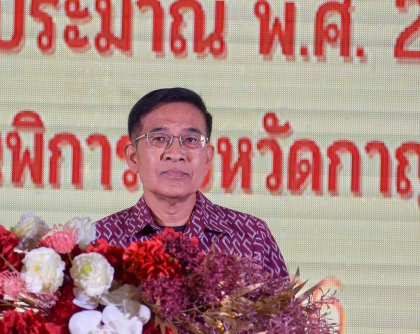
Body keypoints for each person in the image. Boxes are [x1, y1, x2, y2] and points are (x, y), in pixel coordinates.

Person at [95, 87, 288, 279]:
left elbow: (283, 301)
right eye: (159, 139)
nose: (176, 154)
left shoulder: (253, 236)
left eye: (191, 140)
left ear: (207, 158)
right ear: (133, 157)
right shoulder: (99, 241)